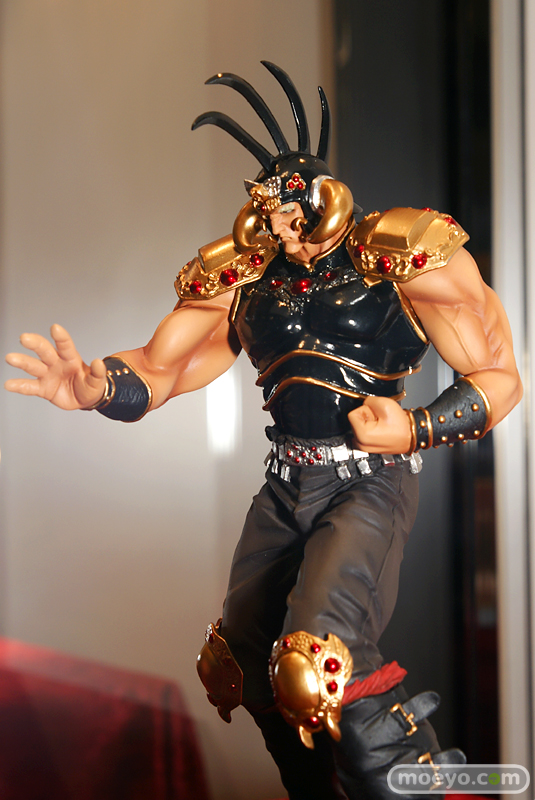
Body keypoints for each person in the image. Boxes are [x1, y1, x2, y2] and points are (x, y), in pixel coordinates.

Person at [5, 63, 522, 800]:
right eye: (267, 212)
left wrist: (415, 427)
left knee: (317, 658)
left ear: (320, 198)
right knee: (242, 665)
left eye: (289, 209)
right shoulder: (248, 279)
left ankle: (428, 789)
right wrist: (97, 388)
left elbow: (499, 376)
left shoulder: (396, 254)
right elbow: (160, 367)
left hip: (365, 481)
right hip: (285, 482)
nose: (279, 226)